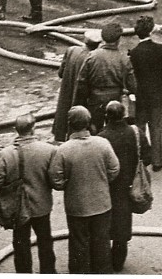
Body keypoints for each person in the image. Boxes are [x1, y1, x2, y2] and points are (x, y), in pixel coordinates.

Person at [49, 105, 120, 275]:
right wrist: (103, 181)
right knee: (101, 242)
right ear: (88, 123)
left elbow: (55, 179)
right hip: (102, 203)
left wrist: (68, 185)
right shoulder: (103, 144)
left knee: (78, 243)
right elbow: (114, 169)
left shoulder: (63, 150)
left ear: (70, 124)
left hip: (77, 207)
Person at [0, 112, 56, 275]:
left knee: (20, 243)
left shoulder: (6, 154)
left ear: (16, 130)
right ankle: (48, 272)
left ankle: (24, 274)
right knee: (45, 240)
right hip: (42, 205)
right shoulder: (48, 150)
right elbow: (55, 179)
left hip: (17, 209)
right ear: (34, 128)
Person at [75, 20, 136, 133]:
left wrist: (82, 102)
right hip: (115, 100)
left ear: (103, 38)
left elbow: (81, 82)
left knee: (94, 130)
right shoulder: (124, 59)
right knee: (114, 130)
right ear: (118, 40)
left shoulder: (92, 56)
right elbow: (132, 85)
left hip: (95, 99)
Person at [128, 15, 162, 171]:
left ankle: (141, 160)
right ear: (151, 30)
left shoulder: (133, 53)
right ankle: (157, 161)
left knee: (140, 129)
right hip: (157, 96)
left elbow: (131, 78)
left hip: (140, 98)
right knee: (157, 128)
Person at [99, 101, 138, 272]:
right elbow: (147, 156)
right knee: (122, 225)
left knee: (104, 224)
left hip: (106, 187)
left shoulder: (101, 138)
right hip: (126, 185)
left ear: (106, 117)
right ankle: (118, 261)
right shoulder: (134, 133)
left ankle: (104, 261)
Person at [53, 30, 101, 143]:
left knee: (63, 117)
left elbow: (60, 73)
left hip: (66, 93)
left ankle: (59, 138)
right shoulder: (92, 58)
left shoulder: (71, 50)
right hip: (81, 96)